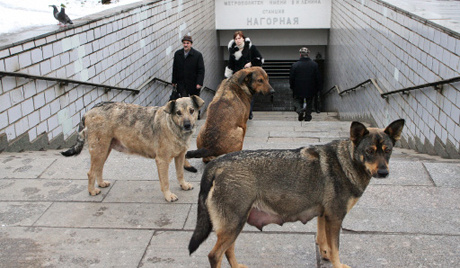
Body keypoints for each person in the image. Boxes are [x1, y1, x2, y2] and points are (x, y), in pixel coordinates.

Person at [224, 31, 264, 120]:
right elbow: (230, 65)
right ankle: (242, 112)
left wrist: (251, 63)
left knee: (249, 96)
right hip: (238, 78)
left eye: (239, 38)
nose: (238, 40)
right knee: (238, 96)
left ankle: (248, 112)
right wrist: (228, 77)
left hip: (250, 77)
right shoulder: (233, 51)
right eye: (236, 39)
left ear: (243, 38)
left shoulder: (251, 48)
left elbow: (260, 60)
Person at [289, 47, 321, 122]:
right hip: (311, 87)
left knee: (297, 101)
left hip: (298, 87)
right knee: (309, 102)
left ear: (300, 55)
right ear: (308, 54)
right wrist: (319, 87)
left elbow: (291, 77)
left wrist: (292, 86)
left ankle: (300, 111)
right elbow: (318, 77)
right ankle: (307, 116)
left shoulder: (295, 65)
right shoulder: (314, 65)